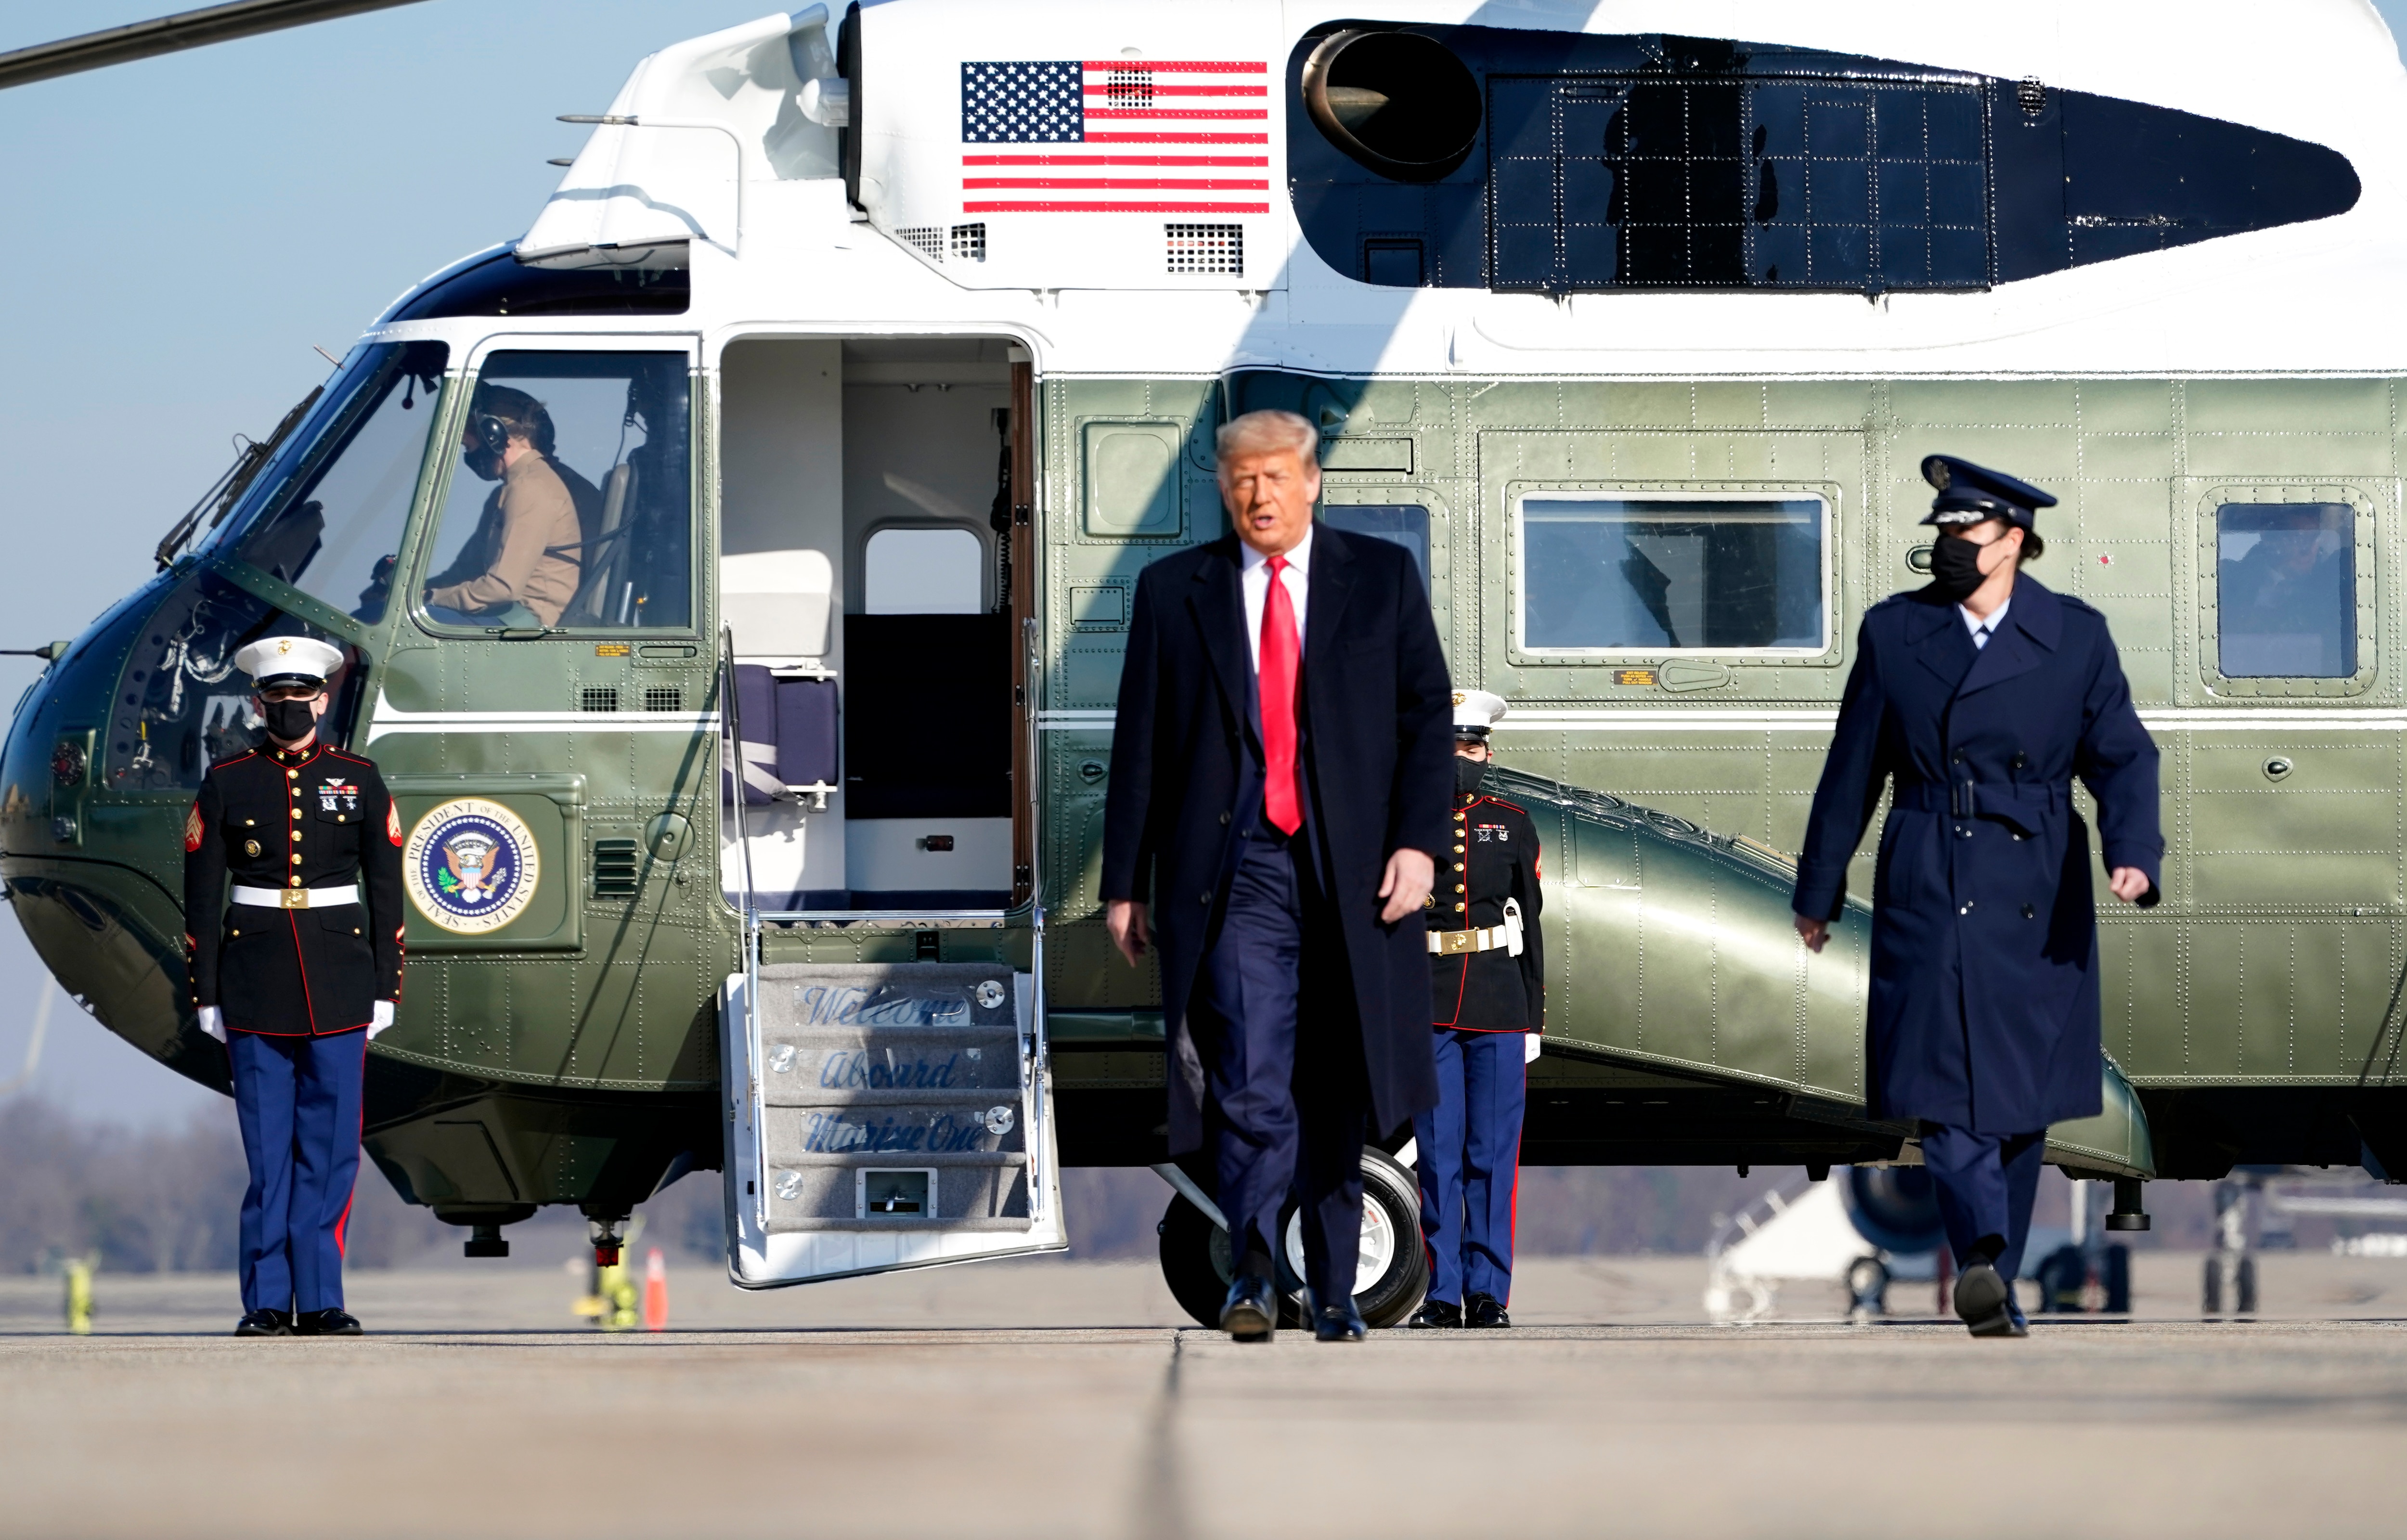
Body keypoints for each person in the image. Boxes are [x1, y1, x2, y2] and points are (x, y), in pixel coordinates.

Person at [1101, 408, 1453, 1343]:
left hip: (1353, 875)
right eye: (1242, 480)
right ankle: (1254, 1272)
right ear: (1225, 489)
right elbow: (1139, 741)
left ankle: (1332, 1292)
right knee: (1251, 1078)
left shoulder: (1379, 582)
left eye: (1275, 477)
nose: (1259, 495)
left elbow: (1427, 723)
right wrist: (1123, 881)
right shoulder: (1176, 591)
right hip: (1238, 869)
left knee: (1333, 1084)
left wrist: (1419, 845)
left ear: (1312, 482)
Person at [1791, 455, 2161, 1339]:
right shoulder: (1895, 634)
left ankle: (1994, 1265)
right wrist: (1818, 887)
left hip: (2039, 880)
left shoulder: (2076, 636)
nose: (1952, 545)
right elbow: (1853, 772)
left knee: (2022, 1099)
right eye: (1945, 531)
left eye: (1969, 532)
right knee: (1946, 1089)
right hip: (1931, 869)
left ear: (2016, 543)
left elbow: (2123, 753)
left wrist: (2133, 851)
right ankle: (1985, 1257)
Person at [184, 635, 406, 1337]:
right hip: (254, 984)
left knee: (331, 1152)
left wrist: (385, 986)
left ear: (323, 697)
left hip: (340, 985)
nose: (290, 708)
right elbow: (201, 895)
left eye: (301, 696)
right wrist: (208, 993)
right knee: (269, 1155)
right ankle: (268, 1302)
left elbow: (387, 889)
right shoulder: (228, 781)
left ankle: (323, 1298)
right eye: (276, 698)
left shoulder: (360, 778)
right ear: (258, 703)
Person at [1407, 689, 1544, 1331]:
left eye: (1477, 746)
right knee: (1439, 1156)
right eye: (1457, 747)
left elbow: (1532, 925)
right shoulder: (1400, 823)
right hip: (1428, 998)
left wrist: (1534, 1019)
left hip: (1497, 998)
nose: (1469, 757)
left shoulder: (1512, 821)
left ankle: (1489, 1291)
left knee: (1493, 1155)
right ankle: (1443, 1290)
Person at [422, 385, 598, 627]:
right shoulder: (520, 485)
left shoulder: (530, 487)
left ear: (492, 436)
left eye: (468, 447)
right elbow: (470, 572)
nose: (470, 456)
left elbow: (502, 588)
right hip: (515, 617)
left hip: (528, 621)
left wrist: (429, 599)